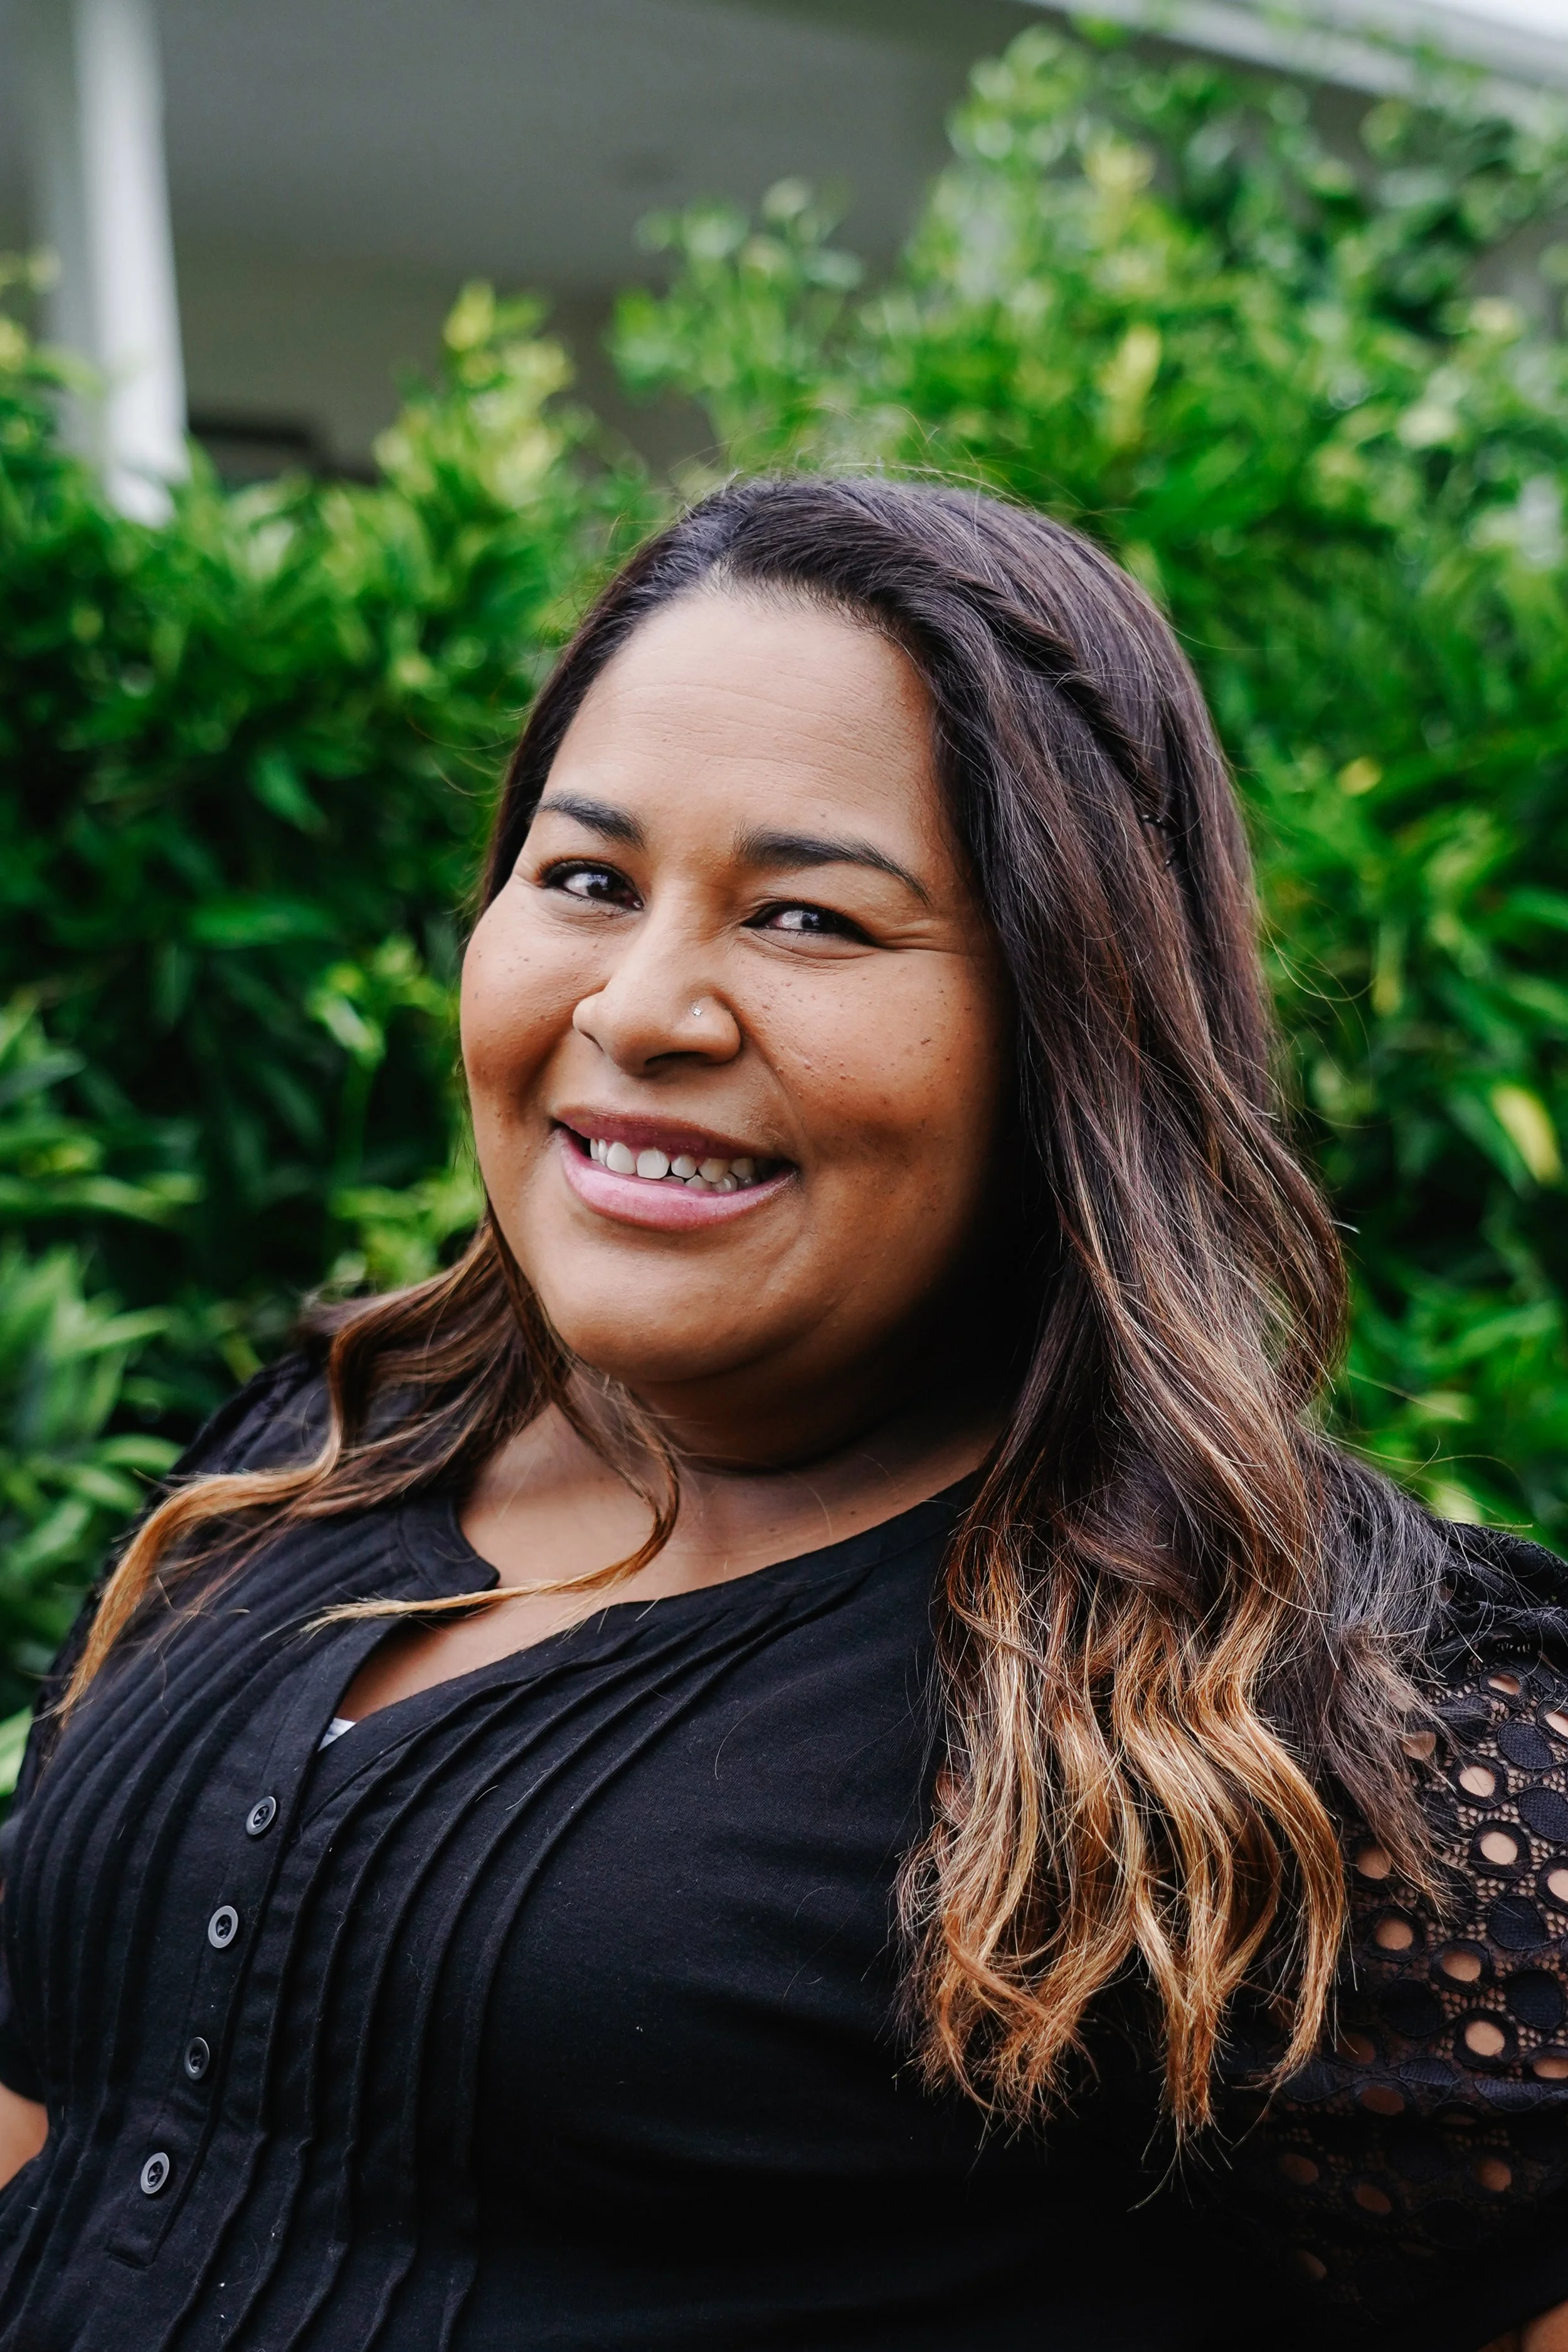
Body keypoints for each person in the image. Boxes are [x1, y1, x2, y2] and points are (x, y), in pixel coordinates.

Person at [0, 477, 1564, 2352]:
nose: (643, 1003)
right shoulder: (323, 1439)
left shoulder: (1296, 1707)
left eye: (811, 917)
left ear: (1074, 1021)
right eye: (584, 879)